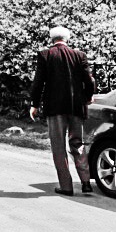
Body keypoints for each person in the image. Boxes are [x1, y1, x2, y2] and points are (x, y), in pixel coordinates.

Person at [30, 25, 96, 195]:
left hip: (55, 107)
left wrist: (34, 104)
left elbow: (38, 82)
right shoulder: (79, 55)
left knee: (58, 146)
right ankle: (86, 182)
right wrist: (88, 97)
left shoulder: (45, 55)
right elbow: (89, 81)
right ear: (67, 39)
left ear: (52, 39)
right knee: (78, 143)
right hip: (76, 107)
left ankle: (66, 186)